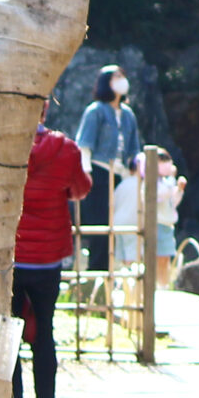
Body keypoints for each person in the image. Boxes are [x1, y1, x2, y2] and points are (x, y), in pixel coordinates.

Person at [13, 123, 89, 398]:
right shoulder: (66, 149)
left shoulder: (4, 144)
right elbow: (80, 189)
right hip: (47, 256)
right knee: (45, 331)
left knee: (8, 334)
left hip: (12, 252)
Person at [74, 65, 140, 271]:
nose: (122, 80)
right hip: (99, 173)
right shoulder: (96, 111)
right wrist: (86, 174)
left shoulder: (128, 115)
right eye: (117, 77)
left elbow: (133, 150)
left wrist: (135, 169)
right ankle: (97, 275)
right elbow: (84, 146)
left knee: (119, 224)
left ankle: (115, 272)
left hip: (119, 174)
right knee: (100, 226)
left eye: (123, 76)